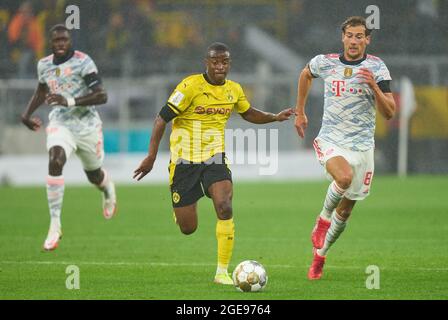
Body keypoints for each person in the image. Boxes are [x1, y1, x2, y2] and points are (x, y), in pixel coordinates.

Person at [134, 42, 294, 284]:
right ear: (206, 63)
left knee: (224, 206)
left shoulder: (234, 90)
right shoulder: (189, 87)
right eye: (215, 61)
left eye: (225, 61)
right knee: (188, 228)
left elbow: (248, 112)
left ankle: (222, 272)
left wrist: (273, 117)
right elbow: (161, 119)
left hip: (214, 157)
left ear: (229, 63)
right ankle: (182, 208)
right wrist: (151, 157)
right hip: (184, 161)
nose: (220, 66)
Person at [294, 16, 396, 280]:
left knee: (347, 210)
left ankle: (320, 256)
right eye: (349, 35)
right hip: (331, 139)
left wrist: (373, 86)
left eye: (359, 36)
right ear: (343, 37)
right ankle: (322, 219)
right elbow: (305, 73)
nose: (354, 40)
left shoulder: (377, 67)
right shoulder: (325, 62)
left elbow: (390, 113)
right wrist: (300, 112)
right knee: (343, 177)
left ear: (367, 39)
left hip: (362, 147)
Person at [21, 24, 117, 251]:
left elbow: (102, 95)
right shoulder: (43, 65)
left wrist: (70, 101)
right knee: (55, 160)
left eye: (64, 40)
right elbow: (42, 91)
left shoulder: (84, 62)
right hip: (60, 123)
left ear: (70, 40)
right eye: (57, 41)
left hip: (87, 126)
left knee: (94, 175)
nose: (61, 44)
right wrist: (26, 114)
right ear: (51, 43)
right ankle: (55, 225)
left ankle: (108, 189)